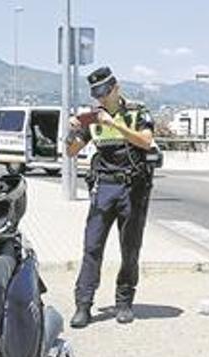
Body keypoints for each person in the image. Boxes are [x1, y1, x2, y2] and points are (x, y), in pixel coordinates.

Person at [65, 66, 155, 327]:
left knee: (130, 249)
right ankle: (83, 305)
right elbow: (72, 151)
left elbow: (146, 141)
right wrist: (72, 130)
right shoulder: (91, 118)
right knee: (92, 247)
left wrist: (114, 123)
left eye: (104, 93)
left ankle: (124, 302)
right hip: (104, 188)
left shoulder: (138, 112)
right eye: (96, 95)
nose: (100, 100)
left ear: (116, 89)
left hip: (133, 188)